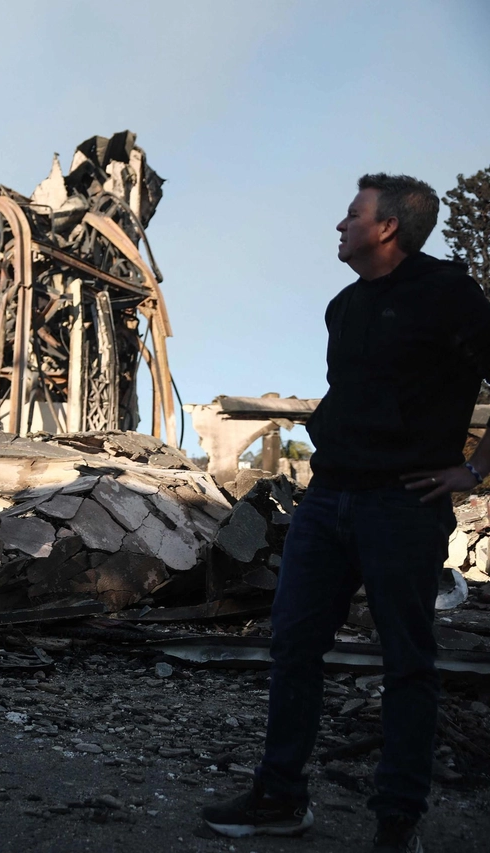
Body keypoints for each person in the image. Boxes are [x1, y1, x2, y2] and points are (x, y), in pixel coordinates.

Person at [202, 174, 490, 852]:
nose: (340, 224)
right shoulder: (344, 306)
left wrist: (474, 470)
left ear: (387, 227)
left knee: (406, 659)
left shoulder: (450, 293)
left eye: (353, 213)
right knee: (294, 643)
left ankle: (398, 822)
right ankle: (279, 796)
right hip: (327, 497)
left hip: (403, 503)